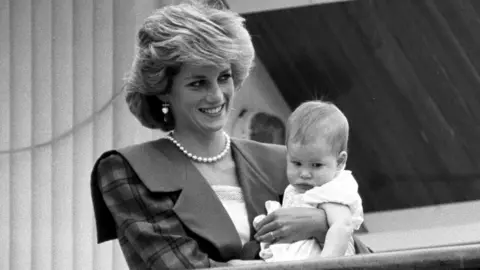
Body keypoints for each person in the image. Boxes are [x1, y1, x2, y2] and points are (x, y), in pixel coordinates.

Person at [90, 2, 371, 269]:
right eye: (198, 82)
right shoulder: (128, 170)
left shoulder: (286, 162)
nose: (216, 95)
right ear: (163, 89)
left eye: (223, 77)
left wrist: (319, 224)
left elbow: (366, 259)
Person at [253, 100, 364, 262]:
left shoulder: (330, 189)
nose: (304, 174)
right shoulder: (304, 187)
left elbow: (342, 226)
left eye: (316, 165)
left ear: (339, 162)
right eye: (296, 163)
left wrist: (325, 263)